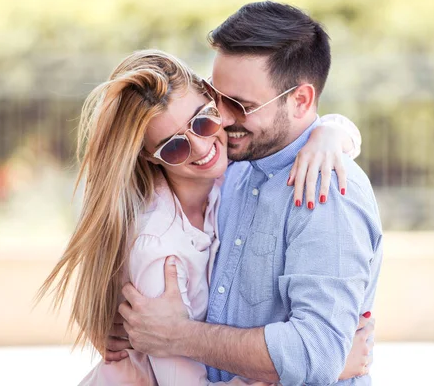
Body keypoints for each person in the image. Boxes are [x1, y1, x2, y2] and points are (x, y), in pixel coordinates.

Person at [37, 48, 371, 385]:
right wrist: (323, 367)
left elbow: (290, 120)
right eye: (174, 146)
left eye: (203, 120)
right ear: (151, 158)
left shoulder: (230, 173)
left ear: (215, 101)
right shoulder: (158, 250)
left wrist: (329, 133)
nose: (200, 147)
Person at [114, 2, 383, 386]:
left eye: (241, 105)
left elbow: (315, 354)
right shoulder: (235, 166)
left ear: (301, 101)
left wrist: (176, 335)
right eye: (214, 95)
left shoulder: (329, 190)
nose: (221, 117)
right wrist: (128, 327)